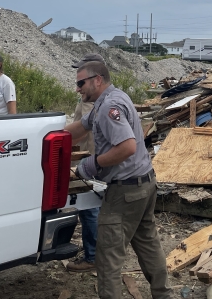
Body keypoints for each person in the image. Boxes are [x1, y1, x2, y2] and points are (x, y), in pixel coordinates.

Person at [65, 60, 171, 299]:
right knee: (149, 245)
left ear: (97, 80)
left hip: (126, 192)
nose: (77, 88)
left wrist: (91, 164)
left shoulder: (109, 106)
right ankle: (163, 295)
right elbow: (83, 126)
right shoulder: (111, 98)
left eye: (81, 83)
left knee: (108, 258)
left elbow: (127, 147)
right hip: (144, 184)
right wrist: (50, 135)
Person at [66, 54, 104, 273]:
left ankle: (93, 258)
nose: (78, 83)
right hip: (91, 158)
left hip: (94, 160)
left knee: (90, 209)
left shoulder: (95, 100)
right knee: (92, 208)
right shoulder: (91, 97)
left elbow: (84, 130)